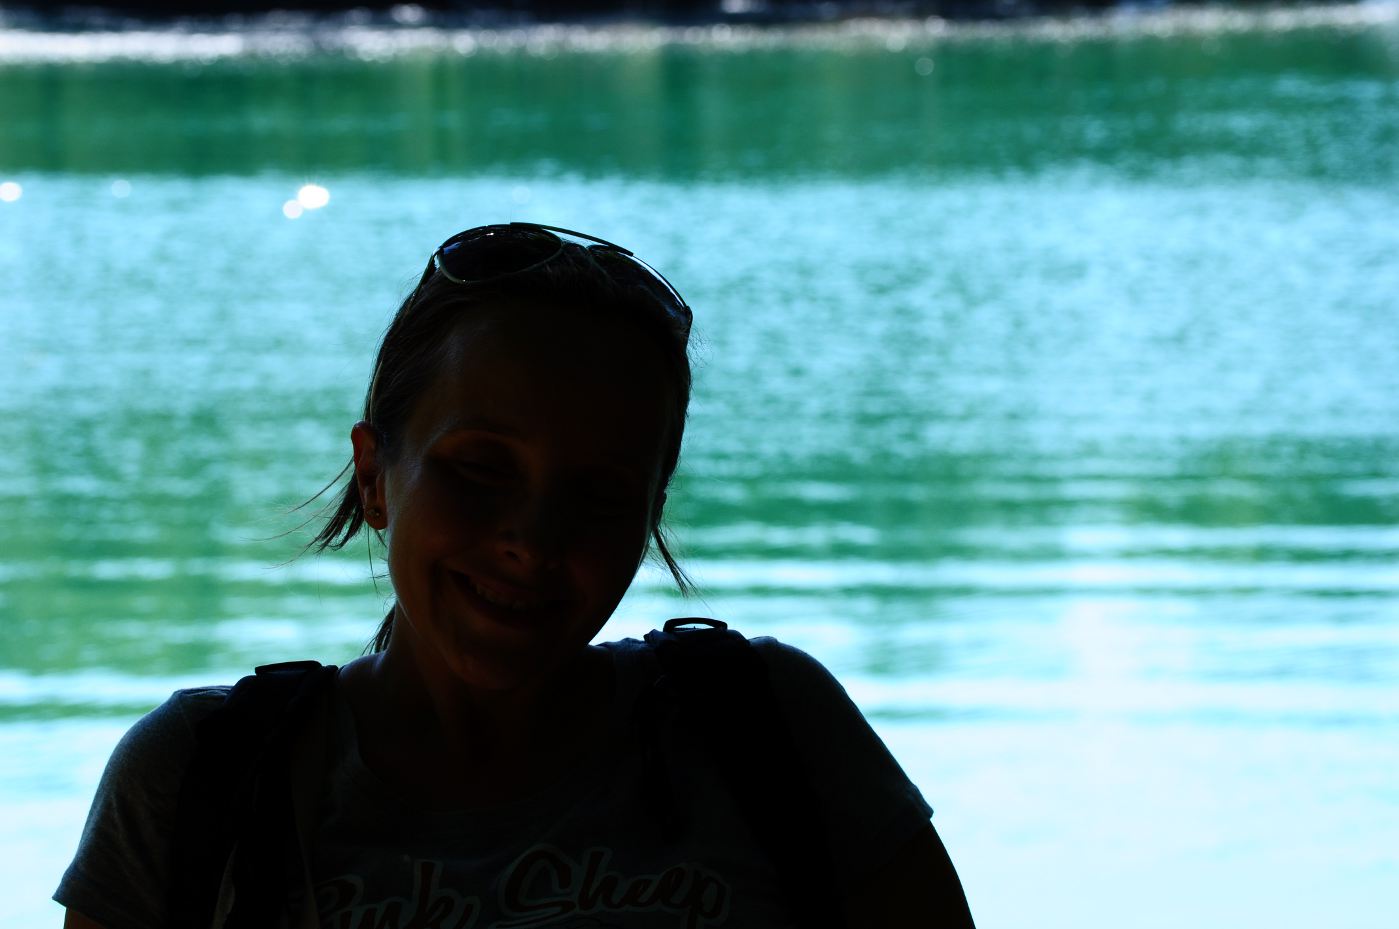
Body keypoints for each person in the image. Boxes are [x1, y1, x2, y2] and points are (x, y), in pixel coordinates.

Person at [55, 223, 975, 929]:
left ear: (649, 512)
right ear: (375, 478)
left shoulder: (770, 730)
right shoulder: (200, 779)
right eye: (480, 467)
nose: (532, 539)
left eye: (599, 490)